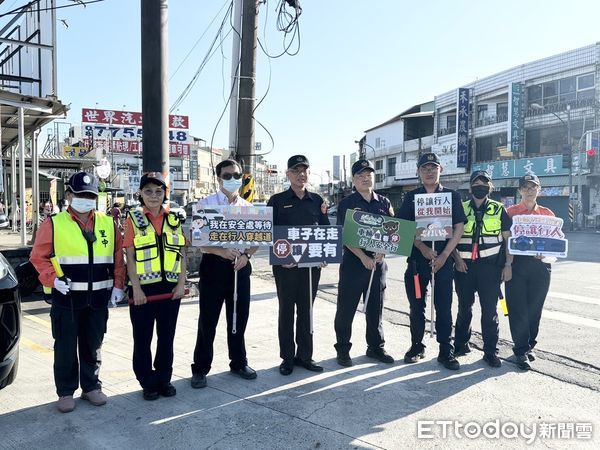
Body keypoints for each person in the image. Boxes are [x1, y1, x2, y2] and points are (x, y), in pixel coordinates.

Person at [30, 172, 125, 413]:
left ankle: (91, 387)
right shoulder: (53, 223)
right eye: (80, 194)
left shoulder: (108, 223)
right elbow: (38, 258)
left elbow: (117, 259)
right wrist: (52, 280)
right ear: (69, 195)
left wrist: (118, 285)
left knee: (93, 345)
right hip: (67, 299)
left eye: (90, 195)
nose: (85, 199)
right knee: (65, 346)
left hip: (98, 299)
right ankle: (65, 391)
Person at [190, 160, 258, 389]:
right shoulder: (206, 204)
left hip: (240, 269)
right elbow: (198, 239)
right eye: (227, 175)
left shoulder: (248, 208)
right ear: (218, 178)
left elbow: (258, 240)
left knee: (238, 318)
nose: (232, 179)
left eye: (236, 175)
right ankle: (200, 368)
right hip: (213, 267)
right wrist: (221, 250)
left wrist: (246, 256)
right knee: (208, 320)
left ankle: (238, 361)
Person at [396, 152, 466, 370]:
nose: (429, 171)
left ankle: (446, 350)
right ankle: (417, 345)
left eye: (433, 167)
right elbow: (403, 228)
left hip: (444, 264)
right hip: (417, 264)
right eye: (425, 168)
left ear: (440, 170)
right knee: (417, 306)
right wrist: (423, 248)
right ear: (418, 172)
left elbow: (459, 228)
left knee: (444, 307)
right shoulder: (411, 198)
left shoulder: (452, 196)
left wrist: (445, 255)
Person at [123, 172, 187, 400]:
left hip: (170, 290)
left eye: (159, 191)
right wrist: (136, 288)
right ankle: (147, 382)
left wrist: (181, 284)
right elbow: (129, 256)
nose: (153, 196)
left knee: (166, 337)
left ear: (165, 194)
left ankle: (163, 379)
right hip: (143, 292)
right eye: (148, 191)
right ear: (140, 193)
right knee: (142, 339)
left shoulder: (175, 218)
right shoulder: (134, 219)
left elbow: (182, 254)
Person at [268, 155, 330, 375]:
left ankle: (306, 356)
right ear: (288, 174)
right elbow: (270, 233)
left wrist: (323, 254)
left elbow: (325, 231)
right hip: (286, 267)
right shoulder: (276, 200)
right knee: (286, 311)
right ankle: (287, 358)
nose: (301, 174)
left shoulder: (317, 201)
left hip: (310, 268)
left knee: (307, 311)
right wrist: (282, 258)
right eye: (296, 170)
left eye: (304, 170)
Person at [334, 159, 395, 367]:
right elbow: (346, 235)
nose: (365, 178)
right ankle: (343, 349)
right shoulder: (347, 204)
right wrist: (363, 257)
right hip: (354, 263)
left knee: (375, 308)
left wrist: (383, 252)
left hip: (377, 265)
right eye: (360, 175)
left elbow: (393, 231)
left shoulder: (384, 203)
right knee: (346, 308)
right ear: (353, 180)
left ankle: (375, 347)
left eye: (368, 174)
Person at [452, 170, 512, 368]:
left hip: (490, 269)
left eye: (484, 183)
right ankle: (460, 345)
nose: (480, 186)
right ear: (470, 187)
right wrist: (457, 260)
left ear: (490, 187)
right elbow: (451, 238)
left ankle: (490, 351)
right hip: (464, 267)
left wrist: (508, 265)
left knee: (489, 311)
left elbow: (508, 240)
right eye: (476, 183)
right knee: (464, 307)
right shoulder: (460, 208)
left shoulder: (499, 209)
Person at [505, 174, 554, 371]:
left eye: (533, 187)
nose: (529, 190)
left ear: (539, 190)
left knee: (535, 309)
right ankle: (520, 350)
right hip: (516, 265)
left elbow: (555, 244)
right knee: (517, 309)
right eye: (525, 187)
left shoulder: (548, 214)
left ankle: (529, 344)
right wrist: (506, 265)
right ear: (519, 191)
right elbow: (504, 240)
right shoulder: (510, 213)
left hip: (540, 267)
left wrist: (546, 254)